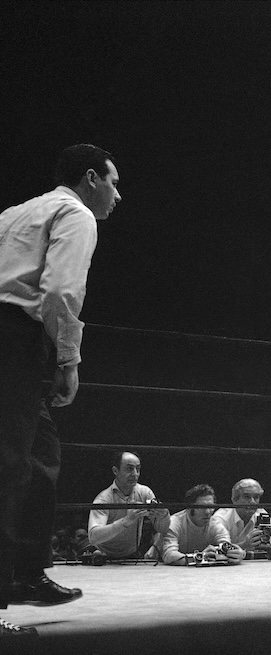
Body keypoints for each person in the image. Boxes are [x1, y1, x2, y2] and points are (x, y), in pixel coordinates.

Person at [1, 144, 120, 636]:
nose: (118, 194)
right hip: (16, 338)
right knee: (8, 465)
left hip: (12, 337)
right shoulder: (75, 213)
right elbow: (60, 292)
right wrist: (68, 360)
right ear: (91, 178)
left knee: (40, 456)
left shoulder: (13, 213)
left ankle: (26, 574)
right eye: (113, 181)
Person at [88, 451, 170, 560]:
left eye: (138, 469)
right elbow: (94, 537)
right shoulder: (104, 499)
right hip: (102, 556)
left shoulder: (145, 492)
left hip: (132, 555)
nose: (135, 474)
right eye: (129, 469)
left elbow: (162, 529)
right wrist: (127, 520)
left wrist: (164, 515)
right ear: (115, 471)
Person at [160, 485, 245, 566]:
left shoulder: (215, 525)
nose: (208, 512)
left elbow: (225, 546)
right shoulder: (174, 523)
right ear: (189, 508)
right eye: (202, 507)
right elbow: (169, 555)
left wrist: (237, 554)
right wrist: (200, 557)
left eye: (211, 507)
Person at [210, 478, 271, 557]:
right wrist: (244, 545)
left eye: (256, 497)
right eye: (247, 497)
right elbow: (215, 551)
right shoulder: (221, 518)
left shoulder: (262, 514)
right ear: (234, 500)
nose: (252, 502)